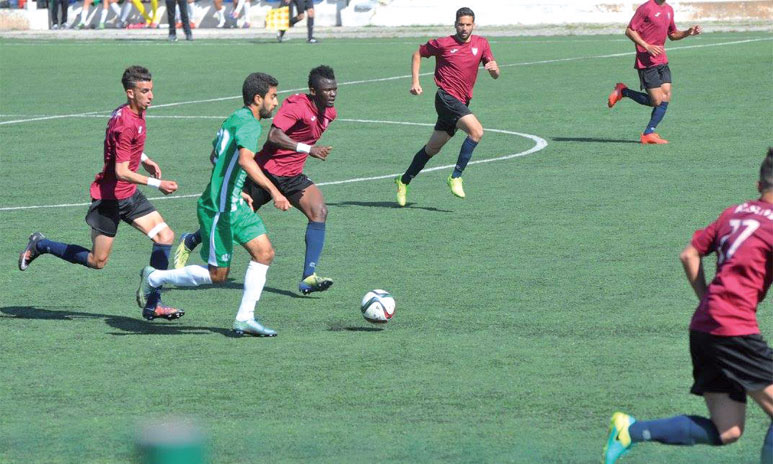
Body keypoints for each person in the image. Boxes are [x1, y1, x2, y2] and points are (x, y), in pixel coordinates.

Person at [603, 149, 773, 464]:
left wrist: (708, 298)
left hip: (705, 327)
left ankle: (630, 431)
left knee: (728, 429)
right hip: (733, 331)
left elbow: (689, 254)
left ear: (757, 184)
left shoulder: (733, 213)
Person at [18, 66, 183, 321]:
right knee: (97, 261)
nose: (151, 95)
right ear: (131, 93)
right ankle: (41, 244)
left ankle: (154, 302)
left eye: (151, 89)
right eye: (144, 91)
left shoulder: (130, 112)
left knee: (165, 236)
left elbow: (121, 149)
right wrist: (156, 183)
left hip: (129, 195)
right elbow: (120, 171)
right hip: (109, 198)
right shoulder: (126, 123)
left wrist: (144, 158)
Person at [136, 72, 290, 337]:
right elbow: (244, 160)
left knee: (264, 253)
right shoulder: (250, 125)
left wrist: (236, 190)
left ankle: (245, 319)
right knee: (218, 275)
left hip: (233, 203)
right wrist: (274, 191)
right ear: (258, 98)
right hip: (218, 208)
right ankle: (154, 278)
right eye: (273, 97)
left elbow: (216, 155)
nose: (275, 103)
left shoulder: (235, 117)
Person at [174, 65, 337, 296]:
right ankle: (191, 239)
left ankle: (308, 277)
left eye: (334, 89)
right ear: (313, 90)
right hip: (265, 172)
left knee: (319, 211)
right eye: (326, 90)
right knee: (230, 220)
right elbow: (274, 135)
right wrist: (307, 149)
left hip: (292, 176)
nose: (332, 94)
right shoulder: (296, 105)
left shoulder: (330, 114)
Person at [394, 7, 499, 207]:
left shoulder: (481, 44)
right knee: (476, 131)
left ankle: (403, 180)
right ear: (455, 24)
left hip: (461, 102)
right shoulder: (443, 44)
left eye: (468, 24)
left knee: (432, 148)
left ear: (473, 25)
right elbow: (417, 54)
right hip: (445, 98)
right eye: (461, 24)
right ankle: (456, 176)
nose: (464, 28)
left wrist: (495, 70)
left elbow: (494, 71)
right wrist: (415, 81)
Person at [607, 0, 701, 144]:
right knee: (656, 101)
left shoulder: (669, 9)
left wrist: (688, 32)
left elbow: (673, 34)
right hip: (646, 61)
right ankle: (623, 91)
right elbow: (629, 30)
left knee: (666, 96)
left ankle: (648, 133)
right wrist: (646, 46)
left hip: (662, 60)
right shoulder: (646, 8)